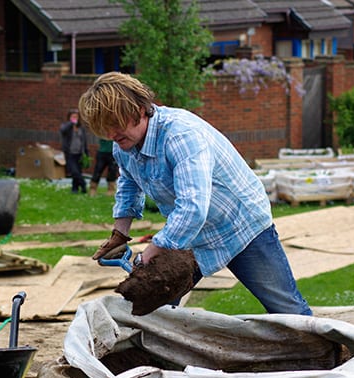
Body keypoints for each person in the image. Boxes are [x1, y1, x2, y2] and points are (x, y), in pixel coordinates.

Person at [78, 72, 311, 315]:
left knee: (286, 308)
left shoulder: (181, 136)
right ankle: (157, 352)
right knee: (152, 304)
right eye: (105, 128)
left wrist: (156, 247)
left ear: (138, 110)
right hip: (190, 233)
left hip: (241, 225)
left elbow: (193, 207)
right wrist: (120, 232)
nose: (112, 134)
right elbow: (128, 183)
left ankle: (326, 350)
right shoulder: (123, 145)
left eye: (116, 124)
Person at [59, 109, 89, 194]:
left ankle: (75, 189)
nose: (75, 118)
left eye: (76, 117)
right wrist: (71, 123)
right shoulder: (67, 127)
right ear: (69, 118)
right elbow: (62, 131)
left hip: (79, 153)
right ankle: (83, 184)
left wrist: (86, 153)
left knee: (78, 171)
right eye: (73, 117)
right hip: (70, 153)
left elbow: (84, 141)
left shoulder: (81, 129)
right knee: (74, 171)